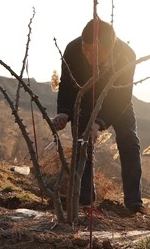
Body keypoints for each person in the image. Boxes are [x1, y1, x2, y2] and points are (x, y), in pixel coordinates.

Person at [52, 18, 144, 213]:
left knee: (129, 140)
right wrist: (64, 112)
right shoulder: (72, 49)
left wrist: (99, 123)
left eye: (94, 52)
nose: (87, 55)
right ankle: (84, 200)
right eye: (85, 49)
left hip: (117, 101)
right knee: (82, 144)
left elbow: (123, 96)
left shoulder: (126, 56)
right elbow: (67, 85)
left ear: (109, 48)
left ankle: (134, 203)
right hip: (85, 101)